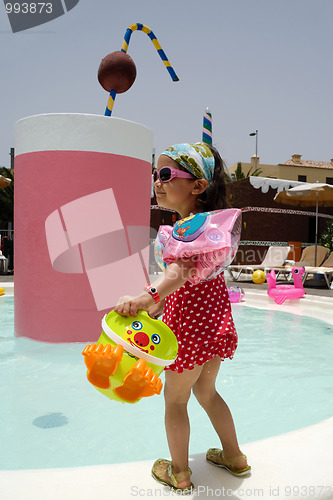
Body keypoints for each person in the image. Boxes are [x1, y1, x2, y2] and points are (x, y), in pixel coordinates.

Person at [114, 142, 251, 494]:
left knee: (175, 401)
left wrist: (147, 297)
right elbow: (191, 280)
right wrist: (160, 303)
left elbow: (181, 269)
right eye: (153, 175)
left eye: (165, 175)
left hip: (188, 333)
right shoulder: (209, 226)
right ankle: (234, 457)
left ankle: (179, 473)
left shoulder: (190, 229)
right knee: (207, 392)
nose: (156, 182)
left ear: (197, 186)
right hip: (214, 328)